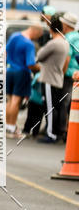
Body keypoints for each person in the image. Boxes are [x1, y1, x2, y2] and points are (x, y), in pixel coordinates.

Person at [36, 14, 71, 143]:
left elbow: (39, 56)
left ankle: (51, 134)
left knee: (49, 108)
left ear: (52, 29)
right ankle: (54, 133)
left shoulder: (54, 43)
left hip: (49, 79)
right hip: (57, 78)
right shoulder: (65, 42)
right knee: (55, 107)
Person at [5, 23, 42, 139]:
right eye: (39, 35)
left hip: (9, 70)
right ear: (35, 32)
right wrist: (41, 68)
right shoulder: (29, 44)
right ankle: (11, 128)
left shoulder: (14, 36)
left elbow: (5, 52)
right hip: (21, 73)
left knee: (10, 100)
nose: (38, 38)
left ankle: (8, 126)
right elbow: (31, 64)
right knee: (16, 101)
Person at [59, 12, 79, 140]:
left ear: (65, 25)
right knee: (74, 104)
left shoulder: (68, 38)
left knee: (64, 104)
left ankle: (62, 131)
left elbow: (66, 58)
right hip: (77, 75)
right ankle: (71, 132)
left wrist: (61, 73)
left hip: (68, 75)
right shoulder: (77, 36)